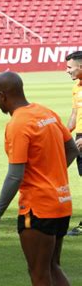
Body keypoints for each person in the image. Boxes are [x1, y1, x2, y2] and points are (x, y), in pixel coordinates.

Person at [0, 71, 78, 286]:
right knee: (52, 265)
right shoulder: (46, 113)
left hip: (37, 209)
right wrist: (51, 174)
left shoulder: (18, 124)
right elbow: (72, 149)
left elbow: (15, 176)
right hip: (61, 202)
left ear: (3, 96)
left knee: (38, 274)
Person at [65, 50, 82, 236]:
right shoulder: (76, 87)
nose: (66, 71)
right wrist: (60, 133)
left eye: (70, 67)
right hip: (79, 136)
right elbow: (74, 115)